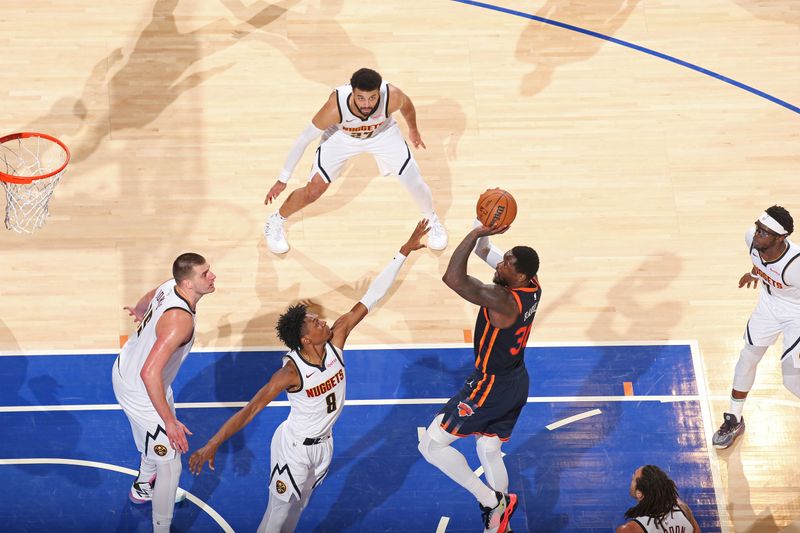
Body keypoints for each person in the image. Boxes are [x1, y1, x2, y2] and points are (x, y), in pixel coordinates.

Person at [189, 220, 429, 532]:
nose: (322, 321)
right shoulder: (290, 373)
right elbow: (250, 409)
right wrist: (213, 443)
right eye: (315, 322)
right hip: (294, 449)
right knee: (277, 514)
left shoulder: (337, 340)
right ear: (305, 339)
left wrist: (403, 252)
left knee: (297, 510)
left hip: (325, 447)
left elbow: (371, 296)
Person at [418, 220, 541, 533]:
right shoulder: (532, 285)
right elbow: (486, 252)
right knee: (488, 449)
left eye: (507, 264)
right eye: (504, 258)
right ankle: (499, 526)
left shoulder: (502, 300)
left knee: (431, 447)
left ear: (520, 276)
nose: (500, 264)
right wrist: (483, 225)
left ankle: (490, 501)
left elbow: (453, 278)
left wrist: (473, 233)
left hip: (489, 386)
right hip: (517, 380)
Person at [262, 67, 447, 254]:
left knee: (413, 180)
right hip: (342, 137)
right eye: (361, 98)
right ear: (352, 92)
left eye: (372, 98)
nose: (366, 104)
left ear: (379, 93)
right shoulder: (335, 107)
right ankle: (276, 221)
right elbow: (303, 140)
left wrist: (413, 130)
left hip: (382, 134)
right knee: (314, 190)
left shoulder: (392, 96)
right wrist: (282, 179)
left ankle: (431, 220)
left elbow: (407, 106)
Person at [112, 253, 216, 532]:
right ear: (187, 282)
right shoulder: (180, 320)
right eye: (205, 274)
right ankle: (161, 528)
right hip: (141, 388)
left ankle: (143, 486)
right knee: (171, 464)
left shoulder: (170, 286)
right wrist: (169, 421)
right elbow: (150, 373)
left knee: (154, 441)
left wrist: (139, 310)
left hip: (128, 367)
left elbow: (149, 297)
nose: (212, 276)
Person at [713, 205, 800, 449]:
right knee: (746, 358)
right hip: (769, 306)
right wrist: (756, 274)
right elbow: (762, 263)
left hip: (796, 315)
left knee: (791, 379)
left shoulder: (796, 265)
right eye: (758, 228)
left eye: (765, 232)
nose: (757, 234)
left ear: (781, 238)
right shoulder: (750, 238)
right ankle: (734, 419)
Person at [616, 465, 701, 532]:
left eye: (633, 479)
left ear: (639, 493)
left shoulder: (629, 529)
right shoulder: (683, 510)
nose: (632, 478)